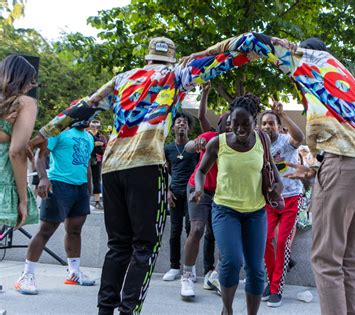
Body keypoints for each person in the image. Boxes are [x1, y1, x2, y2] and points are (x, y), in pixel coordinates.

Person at [27, 36, 253, 314]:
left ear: (147, 58)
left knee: (118, 246)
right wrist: (249, 52)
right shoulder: (176, 74)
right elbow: (223, 60)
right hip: (146, 165)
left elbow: (84, 105)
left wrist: (44, 133)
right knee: (144, 247)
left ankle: (105, 310)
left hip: (112, 168)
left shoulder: (123, 78)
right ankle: (129, 310)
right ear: (171, 58)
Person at [182, 32, 355, 315]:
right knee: (350, 261)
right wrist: (315, 168)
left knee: (327, 260)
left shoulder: (307, 60)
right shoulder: (348, 80)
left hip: (343, 164)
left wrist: (202, 55)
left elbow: (252, 40)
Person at [192, 94, 283, 315]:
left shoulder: (263, 140)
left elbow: (273, 172)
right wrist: (198, 188)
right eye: (236, 123)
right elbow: (201, 171)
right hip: (225, 210)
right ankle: (228, 309)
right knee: (231, 262)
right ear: (229, 121)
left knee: (255, 269)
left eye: (246, 124)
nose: (240, 129)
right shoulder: (218, 142)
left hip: (256, 212)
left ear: (254, 120)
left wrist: (276, 189)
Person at [16, 119, 95, 295]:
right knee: (45, 230)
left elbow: (87, 164)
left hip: (80, 189)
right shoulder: (59, 132)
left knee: (75, 230)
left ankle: (74, 272)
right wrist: (43, 178)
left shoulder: (89, 137)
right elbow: (40, 154)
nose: (88, 118)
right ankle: (26, 276)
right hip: (59, 185)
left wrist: (90, 189)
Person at [179, 85, 226, 299]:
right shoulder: (210, 137)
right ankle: (187, 276)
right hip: (199, 188)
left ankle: (214, 275)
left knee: (223, 236)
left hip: (222, 194)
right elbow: (189, 146)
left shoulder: (240, 144)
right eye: (227, 123)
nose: (231, 127)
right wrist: (195, 143)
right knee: (197, 229)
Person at [259, 99, 304, 307]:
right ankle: (270, 281)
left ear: (278, 126)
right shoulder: (257, 144)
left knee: (283, 242)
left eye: (272, 123)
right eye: (265, 123)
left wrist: (283, 114)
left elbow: (300, 137)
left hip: (292, 197)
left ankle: (276, 288)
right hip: (270, 200)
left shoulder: (286, 141)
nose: (268, 126)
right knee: (266, 240)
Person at [0, 54, 38, 231]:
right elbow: (16, 152)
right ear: (20, 79)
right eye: (31, 80)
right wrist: (23, 200)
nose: (32, 85)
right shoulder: (24, 103)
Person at [163, 112, 198, 281]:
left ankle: (190, 267)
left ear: (189, 127)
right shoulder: (168, 148)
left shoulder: (195, 148)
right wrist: (168, 191)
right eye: (178, 122)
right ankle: (174, 267)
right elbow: (167, 171)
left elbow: (201, 171)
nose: (181, 125)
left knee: (191, 230)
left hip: (191, 194)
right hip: (175, 194)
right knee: (174, 231)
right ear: (173, 127)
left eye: (185, 123)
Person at [88, 119, 107, 210]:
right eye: (93, 126)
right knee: (85, 179)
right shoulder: (86, 135)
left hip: (97, 160)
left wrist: (102, 146)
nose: (95, 129)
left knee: (97, 180)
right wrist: (93, 144)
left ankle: (97, 201)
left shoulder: (102, 137)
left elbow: (106, 149)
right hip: (86, 160)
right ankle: (85, 200)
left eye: (97, 127)